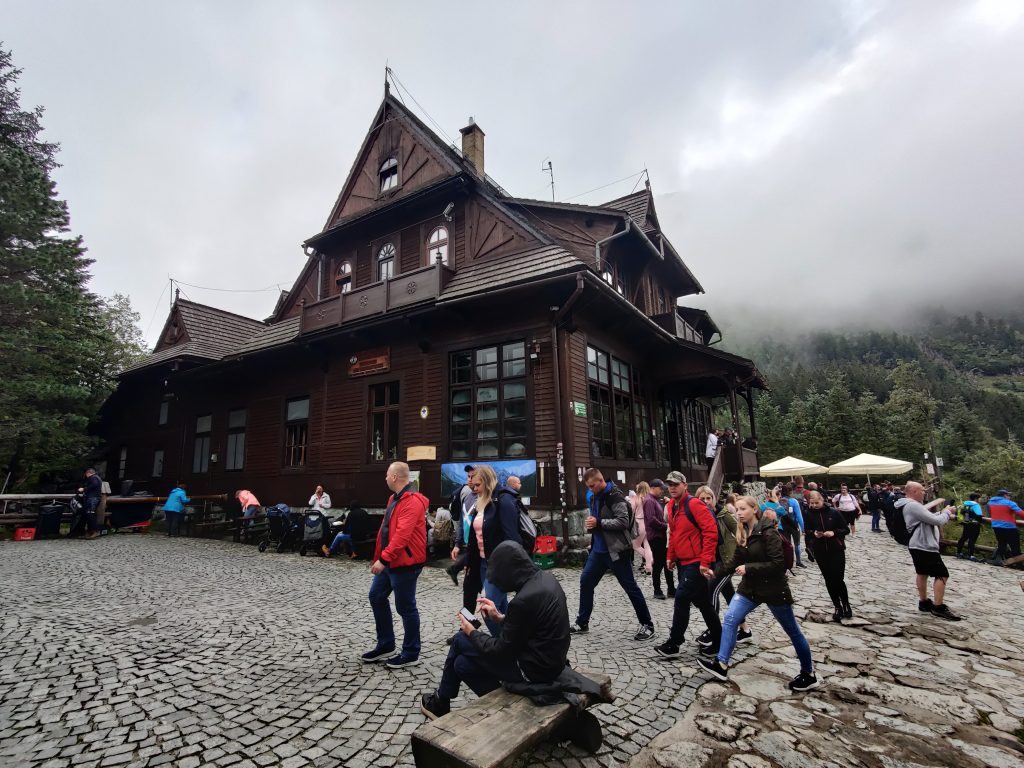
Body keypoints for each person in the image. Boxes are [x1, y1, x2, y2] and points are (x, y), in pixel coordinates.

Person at [420, 541, 571, 719]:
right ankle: (502, 703)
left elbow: (501, 651)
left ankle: (440, 703)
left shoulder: (523, 600)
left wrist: (471, 632)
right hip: (550, 662)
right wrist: (500, 617)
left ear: (511, 571)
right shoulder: (545, 580)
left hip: (534, 671)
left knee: (461, 640)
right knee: (461, 664)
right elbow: (529, 623)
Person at [697, 496, 819, 691]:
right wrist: (714, 573)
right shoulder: (743, 531)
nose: (738, 513)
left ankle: (808, 673)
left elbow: (778, 564)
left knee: (792, 631)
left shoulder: (769, 532)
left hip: (773, 589)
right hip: (750, 588)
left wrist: (749, 568)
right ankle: (721, 664)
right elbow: (734, 561)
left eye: (743, 509)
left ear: (754, 509)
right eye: (737, 509)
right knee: (730, 618)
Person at [570, 468, 655, 641]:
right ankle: (582, 622)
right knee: (586, 582)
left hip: (617, 551)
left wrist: (599, 523)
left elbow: (622, 522)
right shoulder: (594, 496)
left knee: (630, 588)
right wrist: (593, 526)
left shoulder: (615, 496)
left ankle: (647, 625)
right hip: (598, 551)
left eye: (592, 486)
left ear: (601, 481)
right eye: (588, 487)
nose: (590, 489)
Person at [362, 462, 429, 668]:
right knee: (376, 596)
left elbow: (402, 535)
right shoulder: (394, 498)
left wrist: (384, 559)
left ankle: (411, 652)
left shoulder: (413, 501)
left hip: (406, 562)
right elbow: (386, 530)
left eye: (386, 475)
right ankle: (386, 644)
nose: (385, 478)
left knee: (406, 607)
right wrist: (379, 557)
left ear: (394, 477)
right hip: (391, 560)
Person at [654, 472, 721, 659]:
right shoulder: (671, 506)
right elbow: (674, 534)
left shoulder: (694, 504)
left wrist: (705, 562)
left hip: (698, 562)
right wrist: (671, 556)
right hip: (685, 562)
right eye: (669, 484)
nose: (672, 487)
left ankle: (674, 643)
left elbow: (711, 532)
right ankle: (719, 640)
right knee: (703, 603)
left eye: (676, 484)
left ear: (685, 485)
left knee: (682, 597)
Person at [451, 465, 520, 637]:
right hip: (480, 563)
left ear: (488, 483)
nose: (474, 489)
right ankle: (508, 641)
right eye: (472, 485)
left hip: (497, 564)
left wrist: (507, 566)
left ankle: (502, 645)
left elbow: (513, 538)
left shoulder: (503, 501)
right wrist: (468, 561)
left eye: (477, 485)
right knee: (499, 606)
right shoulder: (480, 501)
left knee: (487, 609)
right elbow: (473, 535)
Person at [694, 485, 752, 649]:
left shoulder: (722, 513)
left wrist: (743, 552)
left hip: (726, 561)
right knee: (729, 594)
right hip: (712, 561)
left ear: (713, 499)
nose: (706, 502)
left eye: (708, 498)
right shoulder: (698, 515)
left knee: (711, 592)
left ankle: (714, 631)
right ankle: (745, 630)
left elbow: (740, 529)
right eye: (702, 499)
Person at [896, 481, 960, 621]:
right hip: (924, 545)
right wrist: (947, 513)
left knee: (922, 572)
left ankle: (924, 602)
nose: (924, 493)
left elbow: (927, 518)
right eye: (922, 490)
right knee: (942, 574)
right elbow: (937, 521)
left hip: (917, 544)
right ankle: (938, 606)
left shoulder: (909, 505)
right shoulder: (913, 505)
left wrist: (942, 513)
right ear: (913, 491)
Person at [804, 491, 851, 621]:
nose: (814, 505)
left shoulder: (834, 512)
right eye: (811, 503)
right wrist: (814, 534)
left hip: (836, 549)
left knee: (838, 579)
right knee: (829, 580)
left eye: (816, 503)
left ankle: (846, 604)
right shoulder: (808, 513)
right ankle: (837, 606)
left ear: (822, 500)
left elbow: (845, 529)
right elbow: (807, 531)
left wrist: (834, 533)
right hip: (820, 551)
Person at [644, 480, 673, 599]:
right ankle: (657, 590)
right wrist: (666, 526)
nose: (662, 491)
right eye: (660, 488)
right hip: (656, 537)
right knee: (658, 564)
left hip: (660, 536)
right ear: (653, 487)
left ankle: (671, 589)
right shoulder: (649, 500)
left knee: (667, 563)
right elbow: (651, 520)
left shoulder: (654, 500)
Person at [988, 489, 1024, 563]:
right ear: (1004, 495)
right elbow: (1021, 514)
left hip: (996, 526)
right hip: (1009, 527)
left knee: (1002, 543)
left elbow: (990, 513)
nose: (1009, 497)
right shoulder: (1010, 503)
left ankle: (1000, 560)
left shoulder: (990, 502)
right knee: (1015, 545)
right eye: (1008, 495)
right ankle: (1016, 562)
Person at [780, 483, 807, 568]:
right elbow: (799, 516)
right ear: (790, 492)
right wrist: (803, 529)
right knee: (797, 544)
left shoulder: (779, 501)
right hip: (794, 525)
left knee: (787, 545)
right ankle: (798, 561)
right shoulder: (794, 501)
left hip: (784, 525)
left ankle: (788, 561)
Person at [630, 483, 654, 576]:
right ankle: (649, 567)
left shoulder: (636, 498)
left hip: (639, 523)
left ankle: (651, 560)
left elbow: (631, 510)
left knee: (635, 546)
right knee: (647, 545)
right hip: (648, 523)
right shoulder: (649, 498)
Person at [956, 493, 984, 561]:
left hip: (966, 523)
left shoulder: (965, 503)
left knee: (963, 537)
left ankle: (958, 552)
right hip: (975, 524)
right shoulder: (976, 505)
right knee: (972, 539)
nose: (980, 499)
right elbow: (979, 515)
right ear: (976, 498)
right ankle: (971, 555)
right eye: (979, 498)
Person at [78, 468, 103, 539]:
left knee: (90, 514)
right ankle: (90, 532)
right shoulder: (97, 478)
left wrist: (84, 489)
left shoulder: (93, 477)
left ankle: (94, 531)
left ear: (88, 473)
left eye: (86, 475)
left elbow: (94, 485)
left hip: (93, 498)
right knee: (89, 515)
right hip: (93, 498)